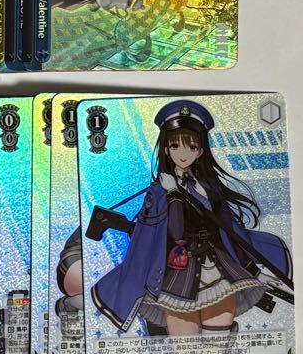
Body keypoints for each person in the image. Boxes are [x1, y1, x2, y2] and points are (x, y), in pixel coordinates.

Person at [91, 100, 291, 339]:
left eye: (191, 146)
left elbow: (231, 233)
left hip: (220, 268)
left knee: (216, 344)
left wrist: (256, 272)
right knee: (187, 348)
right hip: (178, 272)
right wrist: (173, 194)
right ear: (167, 149)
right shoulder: (158, 192)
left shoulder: (210, 187)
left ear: (200, 151)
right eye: (175, 145)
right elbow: (173, 232)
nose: (183, 153)